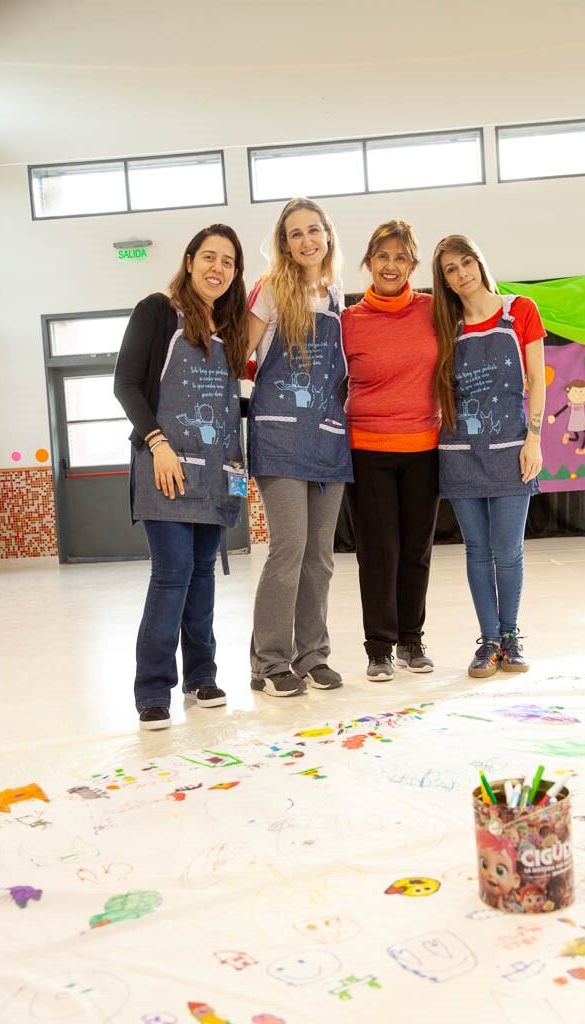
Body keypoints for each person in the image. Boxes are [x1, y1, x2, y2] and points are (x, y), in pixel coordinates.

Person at [114, 224, 248, 729]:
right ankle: (152, 690)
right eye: (209, 257)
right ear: (190, 261)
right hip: (165, 465)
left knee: (202, 578)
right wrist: (157, 443)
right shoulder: (157, 310)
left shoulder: (228, 330)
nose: (218, 268)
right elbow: (126, 383)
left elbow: (232, 404)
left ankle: (202, 675)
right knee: (171, 575)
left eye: (228, 262)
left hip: (214, 472)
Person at [247, 198, 352, 697]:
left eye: (314, 230)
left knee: (321, 557)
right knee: (288, 548)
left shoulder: (336, 298)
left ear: (327, 236)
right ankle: (269, 661)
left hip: (328, 439)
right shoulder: (269, 291)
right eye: (295, 234)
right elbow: (236, 358)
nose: (307, 240)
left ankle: (313, 655)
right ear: (284, 244)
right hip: (280, 437)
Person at [432, 234, 545, 678]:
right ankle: (489, 641)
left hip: (510, 450)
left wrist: (533, 440)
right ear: (444, 281)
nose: (462, 274)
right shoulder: (445, 326)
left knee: (508, 550)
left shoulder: (520, 310)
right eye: (450, 270)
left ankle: (512, 635)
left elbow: (537, 379)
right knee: (477, 549)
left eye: (466, 263)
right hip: (459, 451)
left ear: (478, 262)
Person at [342, 221, 440, 681]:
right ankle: (379, 647)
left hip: (424, 447)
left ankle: (411, 641)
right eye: (383, 256)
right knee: (379, 551)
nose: (391, 265)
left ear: (413, 266)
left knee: (416, 550)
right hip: (368, 449)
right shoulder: (349, 321)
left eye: (401, 258)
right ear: (368, 262)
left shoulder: (435, 311)